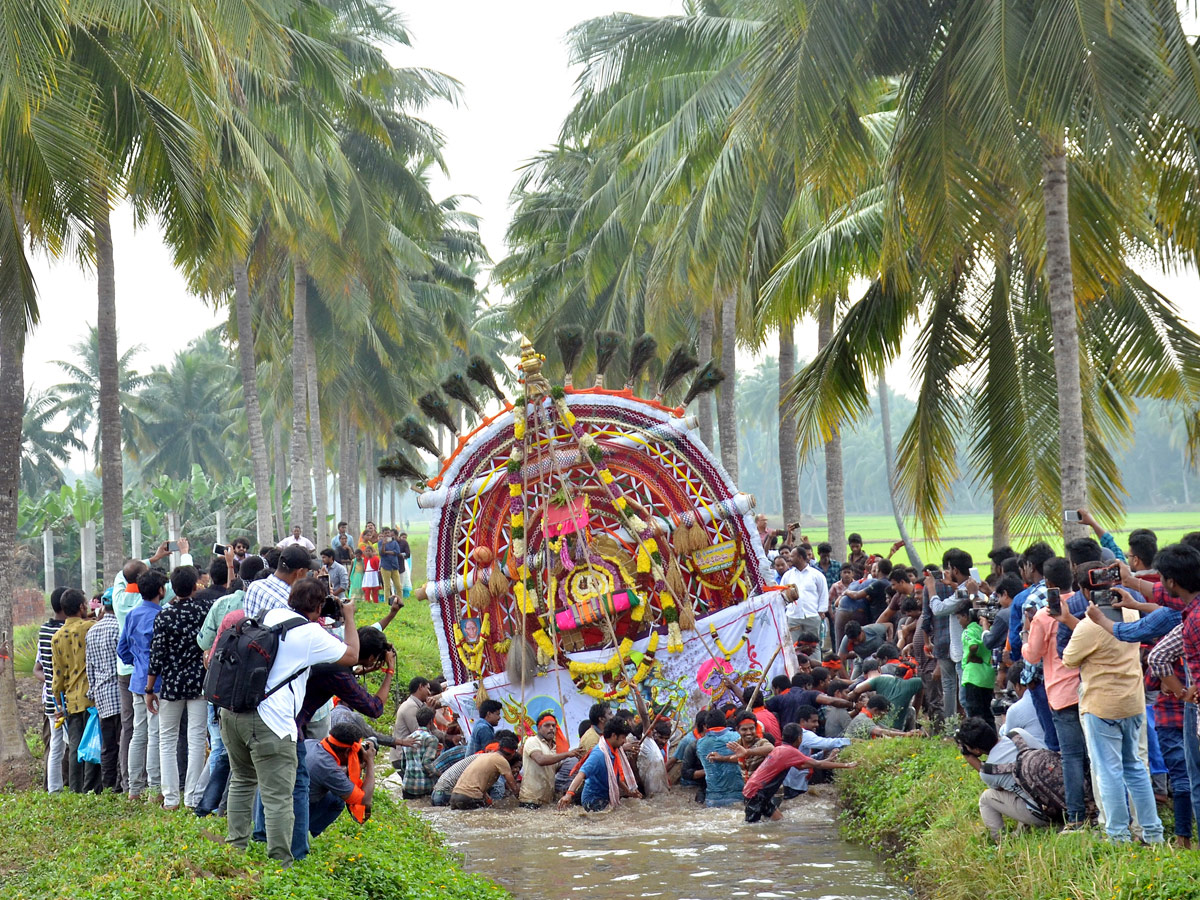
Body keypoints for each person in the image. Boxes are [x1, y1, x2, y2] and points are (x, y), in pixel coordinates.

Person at [221, 578, 358, 866]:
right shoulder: (309, 633)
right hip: (270, 723)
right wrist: (349, 617)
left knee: (243, 782)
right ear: (319, 606)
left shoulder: (266, 616)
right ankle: (282, 865)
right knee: (278, 796)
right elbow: (352, 655)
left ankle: (234, 852)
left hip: (232, 714)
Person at [1060, 595, 1164, 844]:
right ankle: (1152, 832)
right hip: (1132, 703)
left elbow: (1068, 659)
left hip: (1102, 706)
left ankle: (1118, 835)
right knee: (1136, 767)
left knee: (1109, 772)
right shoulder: (1130, 615)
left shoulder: (1088, 625)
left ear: (1087, 593)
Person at [1021, 557, 1088, 831]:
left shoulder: (1044, 614)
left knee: (1071, 755)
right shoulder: (1084, 604)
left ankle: (1076, 815)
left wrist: (1025, 636)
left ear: (1047, 583)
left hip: (1061, 692)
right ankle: (1101, 809)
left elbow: (1033, 655)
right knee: (1095, 754)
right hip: (1088, 687)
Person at [146, 565, 211, 811]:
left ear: (172, 587)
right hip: (199, 683)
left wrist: (149, 688)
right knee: (196, 739)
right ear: (195, 586)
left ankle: (171, 798)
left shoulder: (164, 615)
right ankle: (192, 797)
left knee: (167, 740)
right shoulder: (204, 610)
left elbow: (157, 655)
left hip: (171, 685)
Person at [957, 717, 1054, 841]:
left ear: (976, 750)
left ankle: (1000, 841)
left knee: (987, 798)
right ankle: (1022, 829)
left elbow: (1000, 790)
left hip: (1043, 814)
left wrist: (970, 759)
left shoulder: (988, 771)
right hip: (1063, 793)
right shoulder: (1018, 734)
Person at [738, 722, 857, 822]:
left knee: (780, 822)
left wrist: (828, 760)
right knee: (750, 830)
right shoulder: (790, 751)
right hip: (756, 794)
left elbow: (803, 766)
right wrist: (848, 765)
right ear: (799, 738)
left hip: (757, 792)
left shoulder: (780, 748)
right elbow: (817, 764)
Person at [118, 571, 169, 801]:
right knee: (156, 734)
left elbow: (122, 649)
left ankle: (134, 789)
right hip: (157, 683)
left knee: (139, 734)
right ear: (161, 590)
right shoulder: (162, 616)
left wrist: (137, 664)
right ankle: (155, 789)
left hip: (137, 682)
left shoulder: (132, 614)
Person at [51, 589, 99, 793]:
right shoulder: (91, 628)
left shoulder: (57, 637)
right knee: (92, 743)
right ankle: (91, 788)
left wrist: (58, 703)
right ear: (81, 607)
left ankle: (75, 789)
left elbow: (57, 676)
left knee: (75, 745)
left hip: (70, 699)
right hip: (92, 698)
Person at [307, 721, 376, 837]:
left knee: (335, 798)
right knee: (337, 800)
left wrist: (354, 767)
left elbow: (329, 770)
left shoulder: (311, 744)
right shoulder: (328, 769)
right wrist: (370, 762)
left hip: (277, 801)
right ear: (347, 751)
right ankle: (303, 835)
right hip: (295, 810)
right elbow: (364, 800)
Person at [85, 590, 122, 792]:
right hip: (119, 694)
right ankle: (121, 785)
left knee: (108, 746)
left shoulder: (92, 630)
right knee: (123, 741)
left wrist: (93, 692)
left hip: (101, 696)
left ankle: (108, 787)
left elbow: (89, 667)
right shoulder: (119, 627)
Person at [562, 719, 640, 811]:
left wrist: (629, 792)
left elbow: (615, 777)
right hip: (593, 800)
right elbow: (581, 773)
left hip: (604, 796)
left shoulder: (614, 751)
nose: (625, 741)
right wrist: (569, 794)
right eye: (623, 737)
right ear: (614, 736)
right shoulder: (599, 754)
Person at [37, 588, 68, 793]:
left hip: (49, 695)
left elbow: (39, 667)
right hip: (63, 698)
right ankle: (57, 787)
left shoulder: (44, 629)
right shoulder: (64, 632)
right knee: (62, 745)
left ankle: (53, 787)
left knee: (56, 745)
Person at [520, 711, 581, 807]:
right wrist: (567, 754)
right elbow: (541, 760)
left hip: (546, 801)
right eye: (547, 725)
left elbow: (555, 768)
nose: (551, 728)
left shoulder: (555, 748)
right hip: (530, 799)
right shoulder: (532, 741)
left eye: (553, 726)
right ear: (539, 728)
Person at [243, 544, 316, 620]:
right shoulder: (289, 606)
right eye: (307, 572)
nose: (307, 576)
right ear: (300, 572)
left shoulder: (254, 586)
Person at [451, 732, 520, 809]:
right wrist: (521, 801)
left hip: (455, 796)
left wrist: (490, 803)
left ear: (499, 747)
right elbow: (512, 785)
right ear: (513, 754)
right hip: (470, 797)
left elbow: (479, 786)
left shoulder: (483, 756)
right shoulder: (501, 760)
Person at [695, 709, 745, 807]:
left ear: (706, 726)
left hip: (712, 799)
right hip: (737, 796)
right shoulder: (737, 737)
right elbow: (746, 757)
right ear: (725, 722)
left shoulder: (700, 744)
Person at [781, 547, 829, 642]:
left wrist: (820, 612)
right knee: (794, 647)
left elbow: (823, 594)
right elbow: (781, 593)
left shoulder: (816, 575)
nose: (789, 558)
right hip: (793, 616)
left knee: (813, 646)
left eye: (792, 556)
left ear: (800, 557)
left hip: (812, 615)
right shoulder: (787, 575)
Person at [850, 670, 923, 731]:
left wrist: (854, 706)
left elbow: (856, 691)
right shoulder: (916, 682)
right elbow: (882, 732)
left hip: (880, 722)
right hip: (887, 727)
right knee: (911, 710)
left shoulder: (882, 678)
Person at [958, 602, 996, 720]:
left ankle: (978, 737)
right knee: (987, 713)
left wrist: (970, 656)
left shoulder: (968, 631)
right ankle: (991, 737)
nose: (959, 622)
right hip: (988, 676)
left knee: (974, 713)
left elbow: (973, 646)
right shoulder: (985, 629)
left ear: (965, 617)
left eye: (959, 618)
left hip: (974, 677)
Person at [399, 707, 440, 800]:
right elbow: (426, 763)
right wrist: (439, 774)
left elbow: (403, 765)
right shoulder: (431, 739)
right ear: (431, 721)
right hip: (424, 786)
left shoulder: (407, 739)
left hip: (407, 786)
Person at [1000, 664, 1045, 743]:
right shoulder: (1048, 697)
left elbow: (1006, 738)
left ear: (1017, 686)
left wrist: (1004, 719)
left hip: (1036, 752)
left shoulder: (1015, 709)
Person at [845, 696, 919, 739]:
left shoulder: (870, 717)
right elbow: (879, 731)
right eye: (883, 714)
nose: (883, 717)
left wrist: (908, 733)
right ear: (876, 710)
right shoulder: (863, 719)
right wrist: (906, 735)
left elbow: (887, 729)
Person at [730, 712, 773, 781]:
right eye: (744, 729)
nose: (748, 732)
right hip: (748, 788)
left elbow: (771, 748)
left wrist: (747, 752)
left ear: (755, 728)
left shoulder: (760, 742)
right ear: (737, 730)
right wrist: (720, 758)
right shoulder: (738, 744)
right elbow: (737, 757)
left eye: (751, 728)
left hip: (763, 789)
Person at [378, 528, 403, 601]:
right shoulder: (380, 542)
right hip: (385, 566)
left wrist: (387, 552)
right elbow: (381, 553)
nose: (387, 534)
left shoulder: (394, 542)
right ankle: (387, 602)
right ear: (382, 534)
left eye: (388, 533)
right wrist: (383, 545)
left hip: (394, 566)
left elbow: (397, 552)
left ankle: (400, 601)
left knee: (398, 585)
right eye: (385, 533)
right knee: (387, 586)